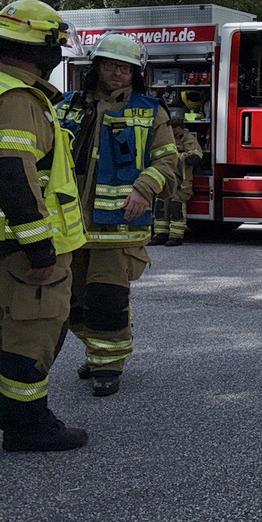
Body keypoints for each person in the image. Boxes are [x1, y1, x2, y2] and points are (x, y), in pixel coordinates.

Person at [57, 33, 178, 398]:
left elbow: (168, 161)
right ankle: (96, 351)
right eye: (111, 65)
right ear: (97, 67)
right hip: (70, 225)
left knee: (107, 299)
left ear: (135, 74)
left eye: (125, 68)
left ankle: (107, 366)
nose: (118, 73)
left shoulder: (149, 111)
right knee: (67, 301)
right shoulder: (66, 105)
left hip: (118, 229)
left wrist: (145, 187)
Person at [0, 0, 90, 451]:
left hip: (8, 245)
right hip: (22, 251)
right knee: (30, 337)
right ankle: (26, 426)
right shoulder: (17, 98)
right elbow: (13, 175)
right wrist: (39, 247)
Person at [149, 117, 203, 247]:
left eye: (171, 129)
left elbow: (196, 157)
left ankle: (175, 236)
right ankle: (160, 234)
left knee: (176, 207)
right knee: (161, 206)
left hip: (182, 181)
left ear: (178, 128)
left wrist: (176, 157)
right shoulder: (167, 138)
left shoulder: (188, 139)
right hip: (166, 179)